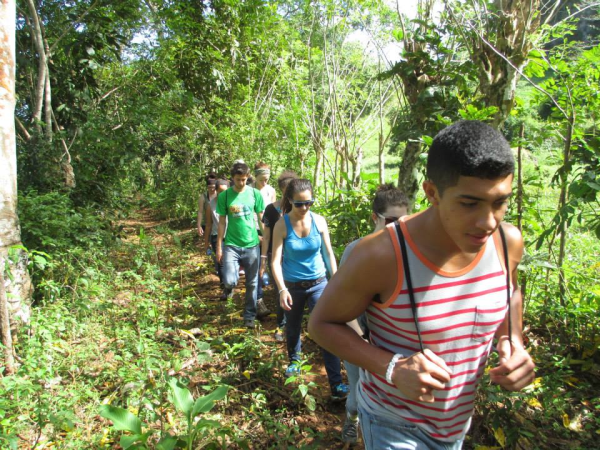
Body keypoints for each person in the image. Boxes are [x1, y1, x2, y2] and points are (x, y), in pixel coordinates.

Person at [308, 120, 535, 449]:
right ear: (432, 193)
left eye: (499, 203)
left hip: (456, 427)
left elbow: (509, 291)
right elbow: (322, 324)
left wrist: (512, 342)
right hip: (393, 423)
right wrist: (392, 368)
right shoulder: (383, 255)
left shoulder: (507, 242)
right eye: (470, 203)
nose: (488, 221)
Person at [339, 184, 409, 444]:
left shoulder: (410, 253)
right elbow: (340, 308)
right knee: (358, 394)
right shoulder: (356, 251)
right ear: (374, 218)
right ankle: (351, 417)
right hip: (359, 336)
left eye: (404, 221)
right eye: (391, 221)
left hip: (393, 343)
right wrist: (360, 341)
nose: (398, 227)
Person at [271, 178, 349, 401]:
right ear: (289, 201)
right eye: (299, 204)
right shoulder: (281, 225)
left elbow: (328, 254)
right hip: (293, 286)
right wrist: (282, 289)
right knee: (293, 327)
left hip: (318, 284)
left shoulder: (319, 221)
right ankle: (295, 362)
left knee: (326, 331)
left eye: (309, 203)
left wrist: (335, 281)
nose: (304, 208)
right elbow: (275, 261)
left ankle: (336, 384)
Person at [216, 162, 265, 328]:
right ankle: (229, 288)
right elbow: (222, 222)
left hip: (252, 244)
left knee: (252, 283)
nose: (241, 183)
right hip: (231, 244)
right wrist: (219, 246)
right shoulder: (225, 196)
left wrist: (266, 237)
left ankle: (249, 316)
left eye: (244, 179)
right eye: (238, 180)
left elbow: (260, 218)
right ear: (232, 179)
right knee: (229, 279)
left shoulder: (255, 194)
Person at [260, 170, 299, 341]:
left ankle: (295, 325)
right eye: (285, 191)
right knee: (281, 290)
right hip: (276, 258)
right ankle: (282, 324)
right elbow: (266, 236)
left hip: (295, 258)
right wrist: (263, 259)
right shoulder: (271, 210)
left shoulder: (300, 209)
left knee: (296, 291)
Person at [204, 178, 230, 288]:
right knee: (221, 261)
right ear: (216, 191)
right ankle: (225, 286)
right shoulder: (211, 205)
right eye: (220, 191)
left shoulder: (233, 202)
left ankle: (230, 282)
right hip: (216, 236)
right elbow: (208, 224)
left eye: (225, 191)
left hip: (232, 236)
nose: (223, 194)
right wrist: (206, 242)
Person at [197, 172, 218, 238]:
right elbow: (200, 211)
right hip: (207, 223)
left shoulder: (220, 195)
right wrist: (198, 225)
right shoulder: (203, 197)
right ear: (207, 187)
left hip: (218, 222)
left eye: (213, 187)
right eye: (209, 187)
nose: (212, 189)